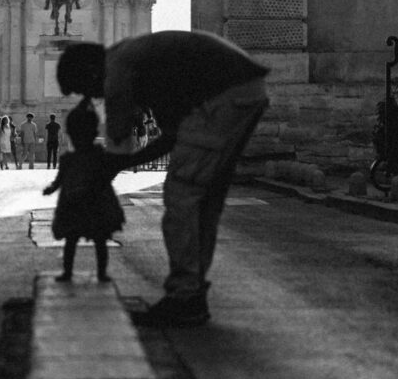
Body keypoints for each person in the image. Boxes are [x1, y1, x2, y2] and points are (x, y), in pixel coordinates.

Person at [56, 30, 269, 328]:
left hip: (223, 95)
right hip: (246, 90)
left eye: (87, 89)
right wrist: (123, 163)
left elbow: (118, 137)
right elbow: (171, 136)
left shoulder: (116, 67)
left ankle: (184, 296)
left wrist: (104, 168)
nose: (94, 97)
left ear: (92, 71)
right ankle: (191, 293)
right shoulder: (141, 64)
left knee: (182, 195)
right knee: (204, 199)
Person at [42, 97, 124, 284]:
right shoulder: (97, 155)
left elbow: (59, 180)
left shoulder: (70, 158)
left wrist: (51, 189)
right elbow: (110, 171)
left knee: (73, 239)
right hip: (96, 202)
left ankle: (69, 273)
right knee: (99, 240)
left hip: (74, 202)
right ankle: (100, 273)